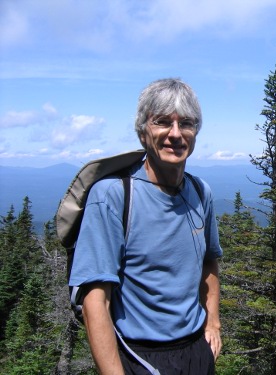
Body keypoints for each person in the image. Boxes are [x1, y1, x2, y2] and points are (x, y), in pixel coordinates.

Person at [69, 78, 223, 375]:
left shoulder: (200, 192)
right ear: (143, 133)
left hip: (195, 352)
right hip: (139, 356)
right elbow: (95, 301)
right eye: (162, 122)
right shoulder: (113, 196)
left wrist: (213, 322)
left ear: (195, 133)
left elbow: (209, 260)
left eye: (186, 124)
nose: (175, 134)